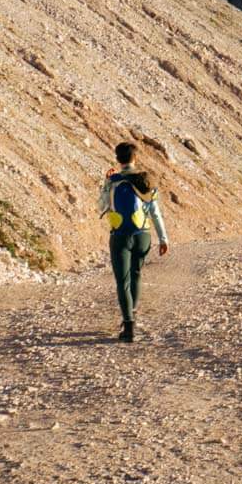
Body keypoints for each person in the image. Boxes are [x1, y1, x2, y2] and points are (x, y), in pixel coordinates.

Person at [97, 141, 168, 341]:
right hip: (142, 235)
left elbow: (101, 206)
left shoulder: (113, 181)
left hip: (119, 235)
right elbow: (155, 212)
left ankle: (128, 327)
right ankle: (133, 312)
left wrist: (105, 185)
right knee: (136, 274)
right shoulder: (145, 181)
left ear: (118, 159)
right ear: (135, 158)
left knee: (122, 281)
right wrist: (163, 238)